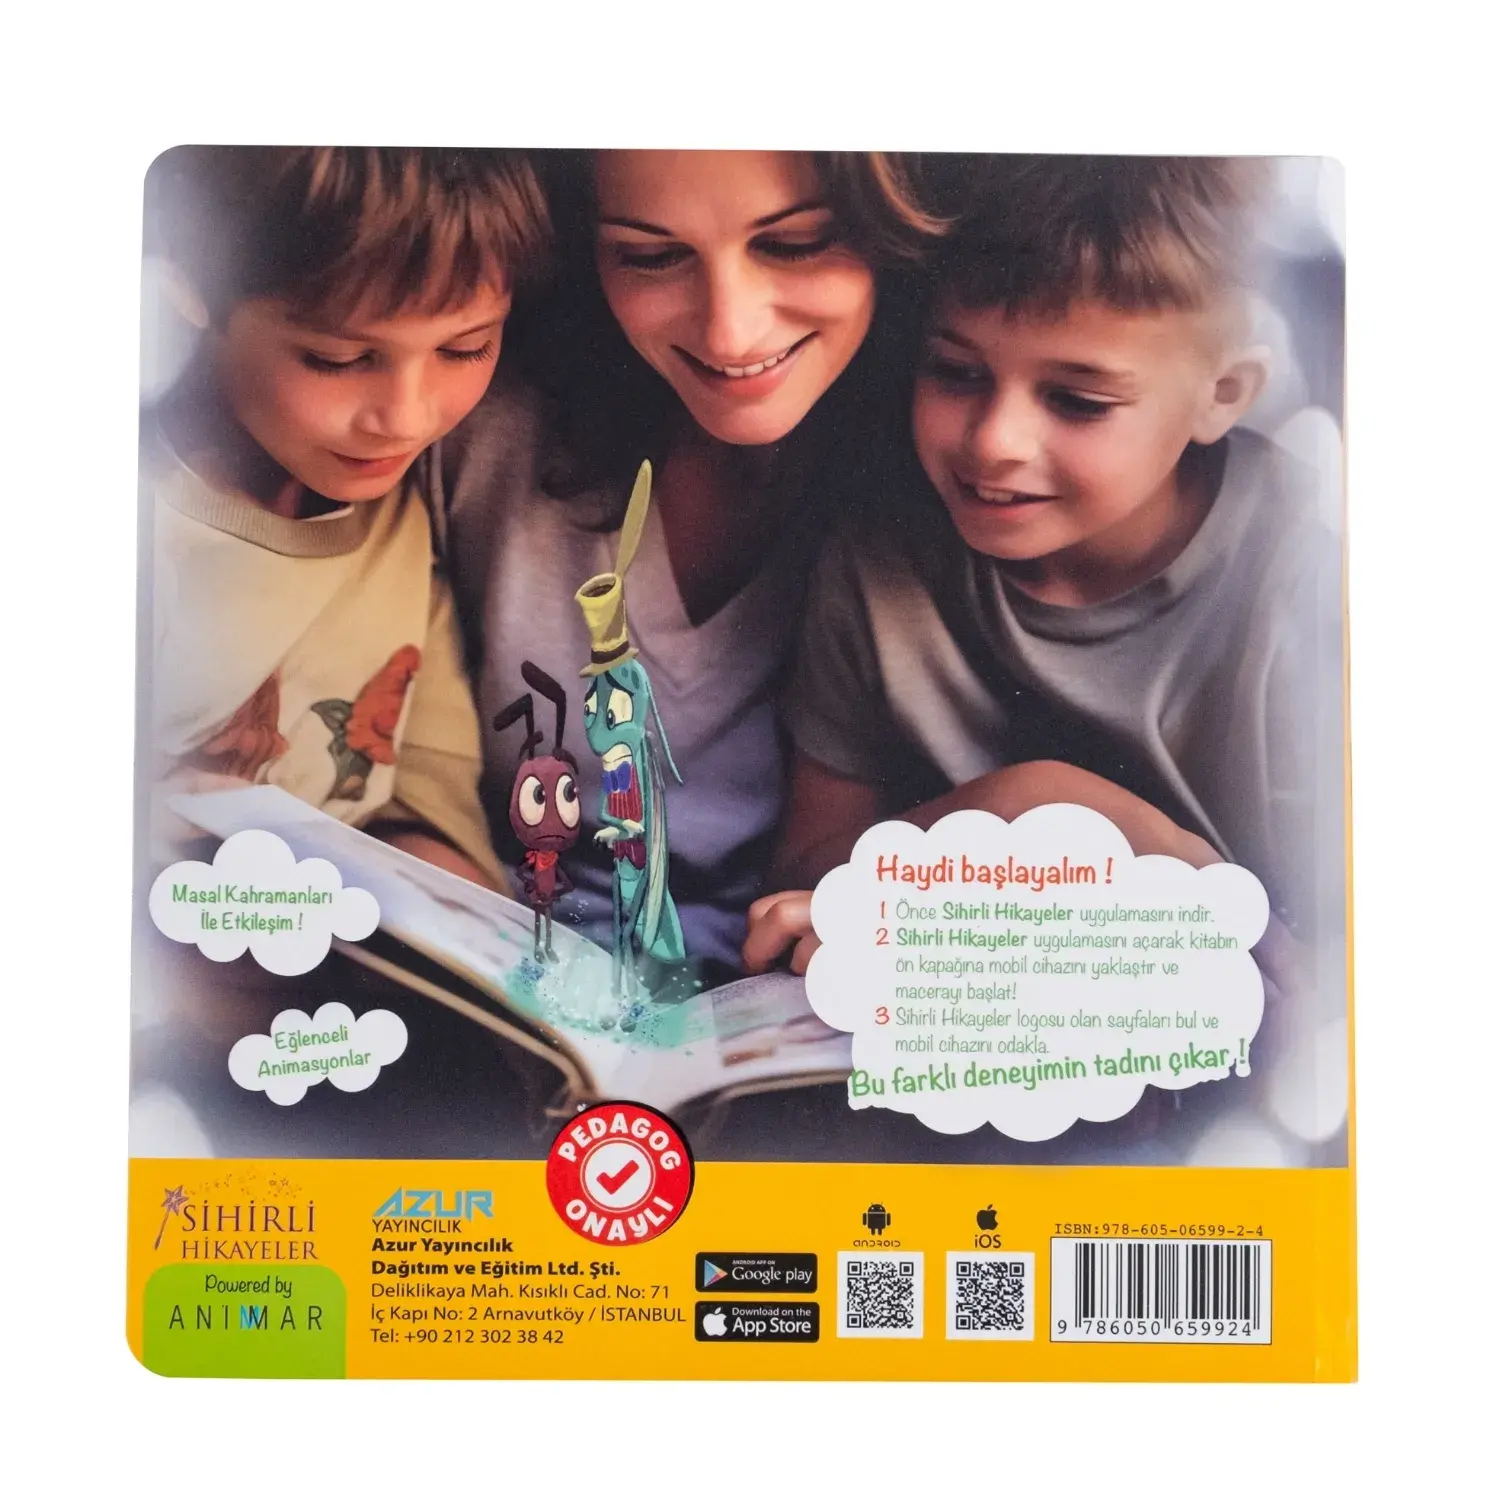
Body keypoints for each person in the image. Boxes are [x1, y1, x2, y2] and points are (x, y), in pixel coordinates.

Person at [746, 157, 1344, 1034]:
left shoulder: (1310, 576)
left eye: (1077, 400)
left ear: (1222, 395)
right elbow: (799, 888)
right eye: (956, 372)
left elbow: (1324, 976)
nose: (995, 441)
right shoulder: (879, 553)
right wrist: (1030, 802)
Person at [435, 149, 948, 982]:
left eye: (794, 244)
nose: (728, 333)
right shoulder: (473, 426)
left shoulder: (966, 488)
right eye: (650, 256)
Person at [142, 146, 550, 890]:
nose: (406, 418)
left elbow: (429, 814)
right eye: (337, 359)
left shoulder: (397, 528)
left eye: (465, 348)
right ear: (187, 290)